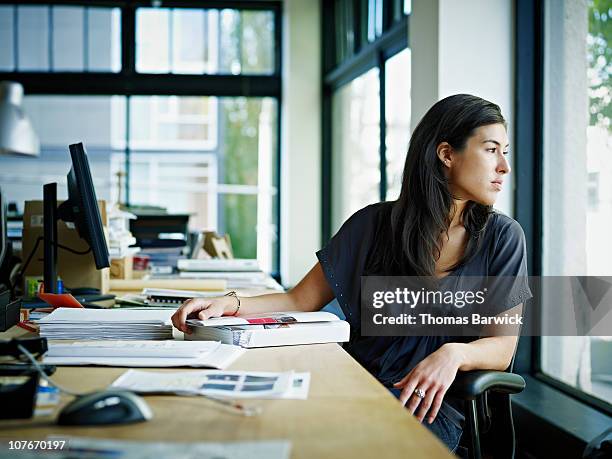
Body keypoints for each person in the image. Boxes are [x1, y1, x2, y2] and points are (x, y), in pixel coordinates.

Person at [172, 94, 532, 452]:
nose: (504, 166)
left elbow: (501, 346)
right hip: (355, 384)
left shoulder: (503, 238)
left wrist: (454, 354)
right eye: (491, 150)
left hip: (428, 406)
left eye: (505, 151)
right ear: (446, 154)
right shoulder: (373, 225)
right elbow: (300, 299)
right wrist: (226, 304)